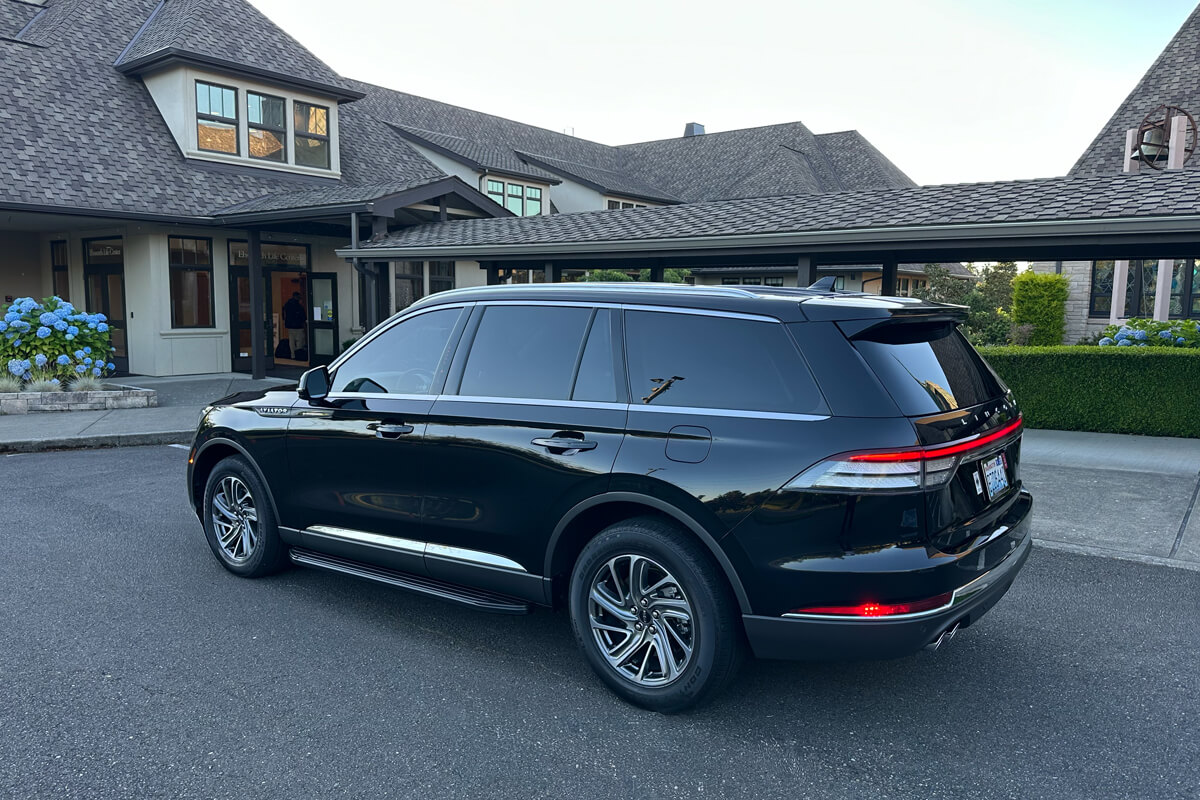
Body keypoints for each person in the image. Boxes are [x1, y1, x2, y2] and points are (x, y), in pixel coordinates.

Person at [282, 292, 307, 359]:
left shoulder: (287, 304)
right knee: (299, 341)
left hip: (290, 326)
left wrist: (285, 321)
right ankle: (298, 354)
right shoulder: (298, 306)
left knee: (291, 341)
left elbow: (284, 313)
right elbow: (303, 317)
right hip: (298, 326)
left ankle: (293, 355)